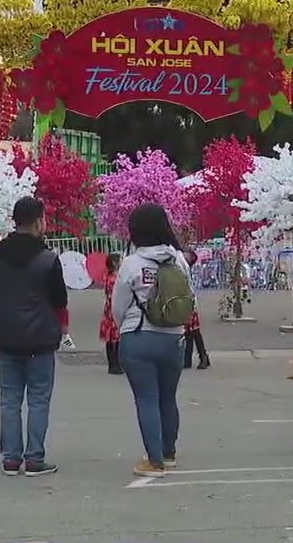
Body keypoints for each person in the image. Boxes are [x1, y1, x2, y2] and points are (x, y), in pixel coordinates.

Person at [111, 203, 194, 477]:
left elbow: (118, 306)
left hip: (139, 336)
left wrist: (127, 327)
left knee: (146, 398)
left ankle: (154, 460)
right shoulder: (179, 260)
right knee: (168, 397)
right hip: (174, 338)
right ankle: (169, 453)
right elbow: (188, 297)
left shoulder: (131, 263)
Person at [0, 197, 65, 477]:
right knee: (38, 399)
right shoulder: (48, 259)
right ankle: (34, 458)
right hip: (40, 337)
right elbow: (60, 300)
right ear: (39, 221)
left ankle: (10, 458)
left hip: (5, 333)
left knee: (9, 398)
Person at [181, 250, 210, 370]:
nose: (184, 254)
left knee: (194, 331)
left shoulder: (184, 268)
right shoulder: (181, 266)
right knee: (187, 332)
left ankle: (203, 356)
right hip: (183, 300)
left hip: (189, 301)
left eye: (187, 254)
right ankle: (187, 358)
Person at [99, 253, 123, 375]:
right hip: (114, 309)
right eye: (120, 260)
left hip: (108, 308)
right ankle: (115, 363)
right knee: (116, 337)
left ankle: (112, 363)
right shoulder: (114, 279)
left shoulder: (108, 277)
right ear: (114, 263)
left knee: (110, 338)